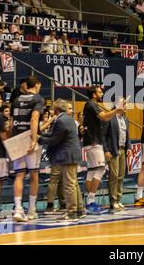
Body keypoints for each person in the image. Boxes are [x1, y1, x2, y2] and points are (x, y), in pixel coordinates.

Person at [38, 99, 86, 221]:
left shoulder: (61, 120)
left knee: (69, 185)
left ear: (57, 109)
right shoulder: (68, 118)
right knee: (74, 183)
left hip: (67, 155)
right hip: (72, 154)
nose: (52, 110)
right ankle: (80, 209)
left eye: (53, 108)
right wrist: (41, 135)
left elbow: (54, 140)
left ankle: (72, 212)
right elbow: (54, 135)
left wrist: (39, 138)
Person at [83, 85, 125, 214]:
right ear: (94, 94)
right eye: (100, 92)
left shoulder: (90, 105)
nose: (102, 94)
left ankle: (89, 202)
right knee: (101, 169)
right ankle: (90, 201)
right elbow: (105, 117)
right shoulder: (91, 104)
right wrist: (116, 110)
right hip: (94, 142)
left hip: (90, 141)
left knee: (92, 171)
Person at [10, 76, 45, 222]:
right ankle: (31, 210)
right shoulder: (38, 99)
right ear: (36, 85)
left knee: (19, 175)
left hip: (17, 137)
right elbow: (34, 119)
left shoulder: (16, 100)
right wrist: (34, 138)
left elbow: (11, 123)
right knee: (34, 174)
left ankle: (18, 209)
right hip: (29, 137)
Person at [101, 98, 131, 212]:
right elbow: (103, 135)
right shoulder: (110, 118)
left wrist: (129, 147)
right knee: (113, 175)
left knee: (121, 175)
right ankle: (113, 201)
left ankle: (118, 199)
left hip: (123, 149)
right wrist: (106, 150)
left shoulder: (126, 119)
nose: (126, 106)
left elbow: (127, 135)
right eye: (124, 104)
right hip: (113, 149)